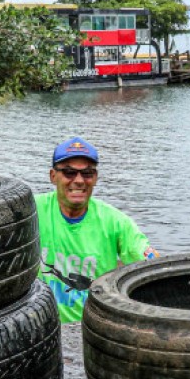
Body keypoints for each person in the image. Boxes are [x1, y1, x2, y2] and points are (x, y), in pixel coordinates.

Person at [37, 136, 157, 323]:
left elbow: (153, 267)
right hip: (42, 327)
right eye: (69, 172)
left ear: (96, 178)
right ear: (53, 176)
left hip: (94, 328)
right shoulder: (32, 211)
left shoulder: (116, 222)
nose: (79, 181)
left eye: (87, 173)